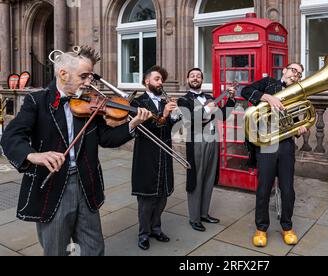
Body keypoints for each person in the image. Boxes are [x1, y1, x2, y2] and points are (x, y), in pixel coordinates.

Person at [0, 46, 152, 256]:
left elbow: (106, 138)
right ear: (63, 74)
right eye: (83, 76)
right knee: (56, 250)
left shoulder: (89, 102)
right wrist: (33, 155)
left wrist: (132, 124)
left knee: (94, 248)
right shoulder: (37, 101)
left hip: (85, 182)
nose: (89, 82)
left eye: (90, 76)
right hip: (53, 185)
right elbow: (11, 136)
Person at [241, 63, 308, 247]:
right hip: (266, 144)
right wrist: (267, 97)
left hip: (286, 144)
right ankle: (261, 229)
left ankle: (287, 227)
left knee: (288, 190)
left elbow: (296, 118)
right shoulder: (268, 83)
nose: (296, 75)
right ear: (284, 70)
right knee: (263, 189)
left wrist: (299, 128)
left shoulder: (298, 92)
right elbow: (245, 90)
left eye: (299, 73)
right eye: (293, 70)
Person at [177, 68, 236, 232]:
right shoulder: (184, 100)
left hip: (213, 141)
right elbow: (189, 121)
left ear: (202, 79)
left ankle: (204, 213)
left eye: (198, 76)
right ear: (187, 79)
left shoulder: (210, 98)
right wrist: (207, 109)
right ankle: (194, 218)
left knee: (209, 177)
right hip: (196, 142)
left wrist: (230, 99)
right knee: (197, 179)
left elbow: (223, 116)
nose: (195, 78)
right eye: (192, 76)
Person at [131, 66, 179, 250]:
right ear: (147, 81)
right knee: (146, 198)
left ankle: (156, 228)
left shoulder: (164, 101)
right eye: (157, 79)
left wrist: (174, 116)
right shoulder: (137, 102)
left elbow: (169, 126)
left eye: (162, 80)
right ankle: (143, 233)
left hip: (165, 152)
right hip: (147, 154)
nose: (161, 83)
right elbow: (148, 127)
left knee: (162, 196)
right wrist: (165, 114)